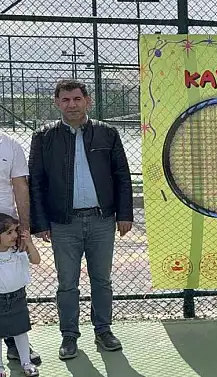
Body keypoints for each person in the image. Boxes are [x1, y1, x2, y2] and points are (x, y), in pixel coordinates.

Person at [28, 80, 133, 360]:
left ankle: (103, 330)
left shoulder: (107, 133)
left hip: (101, 220)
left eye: (77, 99)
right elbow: (36, 182)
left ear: (88, 101)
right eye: (65, 100)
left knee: (102, 280)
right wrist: (41, 223)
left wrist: (124, 214)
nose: (71, 105)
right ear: (57, 103)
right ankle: (69, 335)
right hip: (63, 223)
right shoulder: (44, 137)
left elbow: (122, 176)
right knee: (67, 283)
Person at [0, 133, 41, 366]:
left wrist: (23, 226)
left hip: (4, 231)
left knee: (10, 288)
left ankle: (15, 345)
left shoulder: (11, 146)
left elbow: (20, 186)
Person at [0, 213, 40, 376]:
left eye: (15, 231)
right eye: (9, 232)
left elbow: (36, 260)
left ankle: (26, 362)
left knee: (20, 331)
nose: (14, 235)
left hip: (18, 297)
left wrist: (29, 243)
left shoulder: (18, 251)